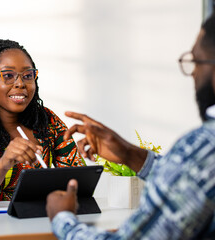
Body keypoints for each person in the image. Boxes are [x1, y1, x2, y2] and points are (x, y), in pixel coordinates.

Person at [46, 14, 215, 240]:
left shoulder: (204, 147)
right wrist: (129, 154)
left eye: (196, 61)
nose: (193, 72)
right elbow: (195, 184)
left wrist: (62, 218)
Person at [0, 39, 85, 206]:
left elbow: (77, 179)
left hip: (39, 222)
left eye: (28, 76)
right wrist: (3, 164)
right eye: (8, 76)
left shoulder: (47, 121)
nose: (20, 83)